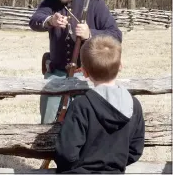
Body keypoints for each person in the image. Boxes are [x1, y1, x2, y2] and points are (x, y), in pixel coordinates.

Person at [29, 0, 122, 124]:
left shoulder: (93, 3)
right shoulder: (50, 2)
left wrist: (91, 34)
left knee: (87, 124)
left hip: (87, 76)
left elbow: (116, 35)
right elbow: (34, 21)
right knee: (48, 124)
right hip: (56, 75)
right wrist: (50, 21)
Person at [54, 35, 145, 174]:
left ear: (84, 72)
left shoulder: (81, 105)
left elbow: (66, 154)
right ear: (120, 66)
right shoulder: (134, 105)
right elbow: (135, 150)